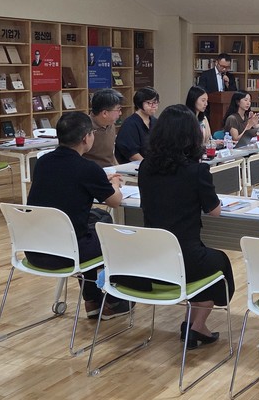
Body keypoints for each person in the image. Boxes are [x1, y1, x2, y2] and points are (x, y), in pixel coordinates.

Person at [139, 104, 235, 349]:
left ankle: (191, 325)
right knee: (220, 263)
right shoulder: (197, 171)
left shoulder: (145, 167)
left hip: (153, 258)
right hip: (186, 257)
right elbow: (214, 211)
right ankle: (196, 326)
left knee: (203, 263)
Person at [25, 111, 129, 320]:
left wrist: (101, 180)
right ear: (85, 138)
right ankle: (112, 301)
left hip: (34, 249)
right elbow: (115, 201)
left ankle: (93, 301)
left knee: (97, 219)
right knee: (114, 237)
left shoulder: (43, 162)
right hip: (66, 252)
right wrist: (115, 183)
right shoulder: (88, 168)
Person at [115, 87, 159, 163]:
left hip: (151, 163)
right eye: (149, 103)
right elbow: (131, 153)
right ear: (139, 104)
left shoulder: (155, 122)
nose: (154, 106)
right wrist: (147, 165)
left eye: (155, 102)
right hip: (134, 165)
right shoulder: (130, 124)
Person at [84, 88, 124, 167]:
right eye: (118, 110)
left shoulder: (111, 124)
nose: (120, 113)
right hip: (92, 171)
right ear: (104, 113)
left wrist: (119, 168)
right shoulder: (84, 127)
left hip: (111, 169)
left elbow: (111, 156)